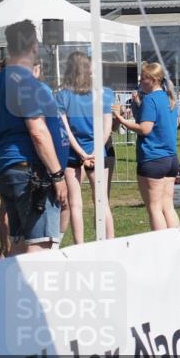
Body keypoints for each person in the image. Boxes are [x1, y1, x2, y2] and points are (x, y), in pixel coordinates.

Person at [0, 20, 69, 255]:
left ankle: (11, 281)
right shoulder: (25, 82)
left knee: (20, 243)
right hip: (30, 172)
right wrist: (57, 175)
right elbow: (37, 131)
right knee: (39, 246)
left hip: (6, 168)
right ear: (33, 45)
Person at [55, 51, 115, 243]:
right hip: (97, 152)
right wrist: (95, 151)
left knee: (75, 204)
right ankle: (110, 242)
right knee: (102, 202)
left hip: (73, 154)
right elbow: (107, 127)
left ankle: (79, 245)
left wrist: (81, 153)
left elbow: (65, 130)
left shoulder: (62, 96)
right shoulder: (104, 93)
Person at [113, 62, 180, 231]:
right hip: (171, 159)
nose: (140, 82)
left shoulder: (150, 100)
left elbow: (145, 128)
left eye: (144, 78)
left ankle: (161, 243)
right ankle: (176, 242)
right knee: (168, 206)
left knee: (154, 208)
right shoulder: (169, 98)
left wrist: (121, 120)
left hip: (153, 158)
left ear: (154, 80)